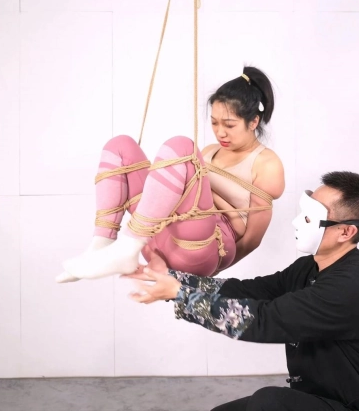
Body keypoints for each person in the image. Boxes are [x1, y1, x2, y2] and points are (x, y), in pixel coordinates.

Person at [127, 171, 359, 411]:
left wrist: (180, 295)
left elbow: (264, 320)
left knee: (269, 403)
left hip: (355, 407)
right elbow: (249, 291)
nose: (297, 223)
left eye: (308, 218)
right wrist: (172, 278)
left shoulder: (352, 285)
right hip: (318, 400)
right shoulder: (308, 268)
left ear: (346, 232)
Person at [56, 67, 285, 283]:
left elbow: (251, 240)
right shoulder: (209, 151)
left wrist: (208, 275)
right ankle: (103, 243)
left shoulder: (266, 164)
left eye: (229, 125)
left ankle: (127, 246)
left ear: (253, 122)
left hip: (205, 246)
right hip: (159, 236)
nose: (220, 132)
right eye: (214, 123)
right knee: (120, 146)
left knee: (182, 147)